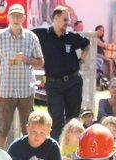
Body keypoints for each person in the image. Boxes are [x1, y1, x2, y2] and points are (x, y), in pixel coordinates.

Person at [0, 3, 43, 150]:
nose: (16, 18)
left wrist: (27, 59)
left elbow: (41, 61)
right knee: (3, 128)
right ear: (8, 17)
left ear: (24, 18)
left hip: (26, 90)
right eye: (13, 15)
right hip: (6, 90)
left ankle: (28, 156)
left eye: (19, 15)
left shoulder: (32, 37)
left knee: (29, 128)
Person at [32, 5, 90, 140]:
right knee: (56, 120)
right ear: (56, 18)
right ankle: (57, 151)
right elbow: (26, 36)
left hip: (73, 82)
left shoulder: (71, 36)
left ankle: (73, 150)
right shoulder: (42, 34)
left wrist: (82, 60)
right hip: (53, 84)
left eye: (68, 20)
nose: (67, 23)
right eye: (65, 19)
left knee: (73, 120)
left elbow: (86, 45)